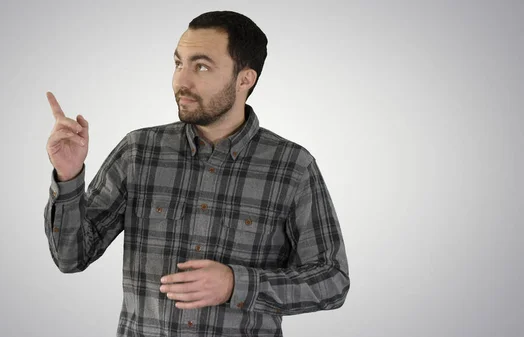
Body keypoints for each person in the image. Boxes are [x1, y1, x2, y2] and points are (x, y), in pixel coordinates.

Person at [44, 10, 350, 337]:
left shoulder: (292, 166)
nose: (182, 81)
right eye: (179, 64)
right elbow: (71, 257)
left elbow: (331, 281)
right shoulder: (139, 151)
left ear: (245, 79)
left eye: (201, 66)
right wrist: (69, 176)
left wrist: (237, 284)